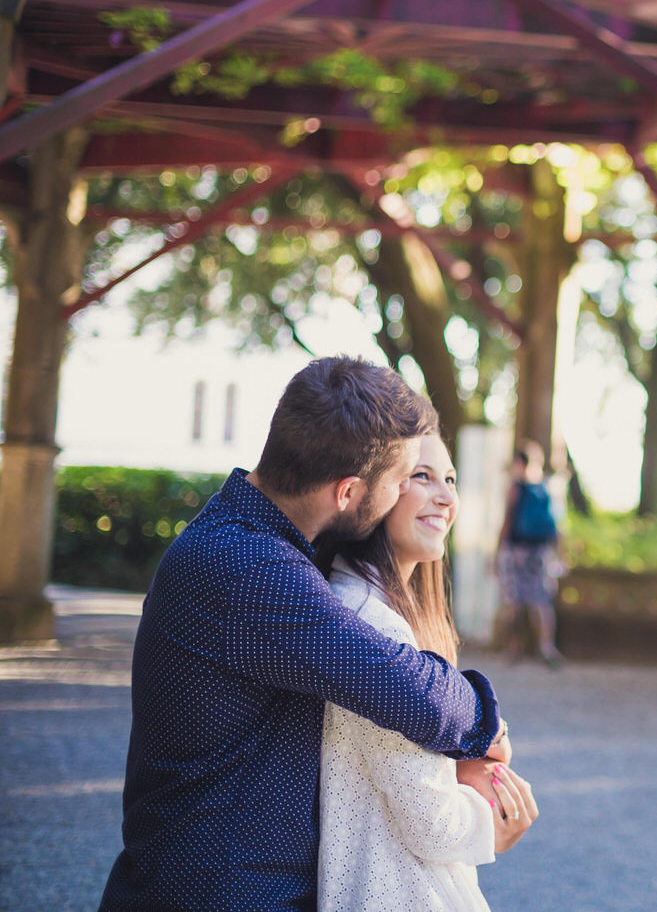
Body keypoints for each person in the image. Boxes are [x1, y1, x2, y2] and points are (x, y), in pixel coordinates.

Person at [101, 356, 508, 911]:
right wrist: (490, 724)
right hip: (220, 892)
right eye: (399, 482)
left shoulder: (246, 540)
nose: (403, 496)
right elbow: (406, 689)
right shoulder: (250, 567)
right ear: (346, 493)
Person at [317, 431, 536, 912]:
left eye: (451, 479)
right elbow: (433, 823)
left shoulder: (385, 613)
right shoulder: (371, 624)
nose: (446, 496)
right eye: (422, 476)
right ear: (378, 489)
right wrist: (494, 820)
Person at [494, 441, 566, 667]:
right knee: (541, 601)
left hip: (516, 550)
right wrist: (561, 553)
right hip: (541, 551)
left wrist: (497, 552)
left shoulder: (515, 488)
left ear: (518, 462)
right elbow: (558, 525)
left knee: (513, 601)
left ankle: (513, 648)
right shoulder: (547, 487)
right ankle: (547, 647)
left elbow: (507, 521)